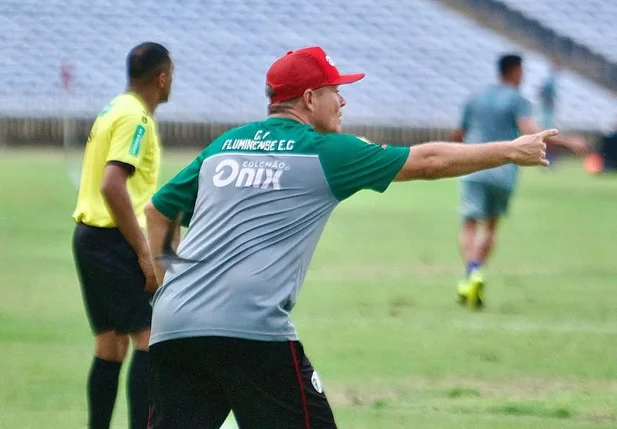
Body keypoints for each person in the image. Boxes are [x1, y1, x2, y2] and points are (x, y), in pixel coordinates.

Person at [144, 46, 553, 429]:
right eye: (335, 91)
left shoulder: (223, 146)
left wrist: (171, 285)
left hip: (174, 323)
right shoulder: (327, 151)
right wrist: (511, 151)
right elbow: (427, 161)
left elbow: (157, 210)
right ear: (308, 99)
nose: (342, 101)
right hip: (250, 328)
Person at [71, 42, 173, 429]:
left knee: (110, 345)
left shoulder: (113, 108)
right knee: (148, 337)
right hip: (116, 240)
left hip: (89, 238)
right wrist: (144, 253)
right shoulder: (136, 119)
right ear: (162, 77)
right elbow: (113, 185)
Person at [451, 54, 587, 309]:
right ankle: (478, 271)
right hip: (502, 169)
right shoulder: (517, 100)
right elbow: (530, 131)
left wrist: (453, 157)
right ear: (514, 71)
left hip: (471, 165)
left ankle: (471, 272)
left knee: (469, 222)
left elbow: (458, 134)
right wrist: (569, 142)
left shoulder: (475, 98)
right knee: (490, 225)